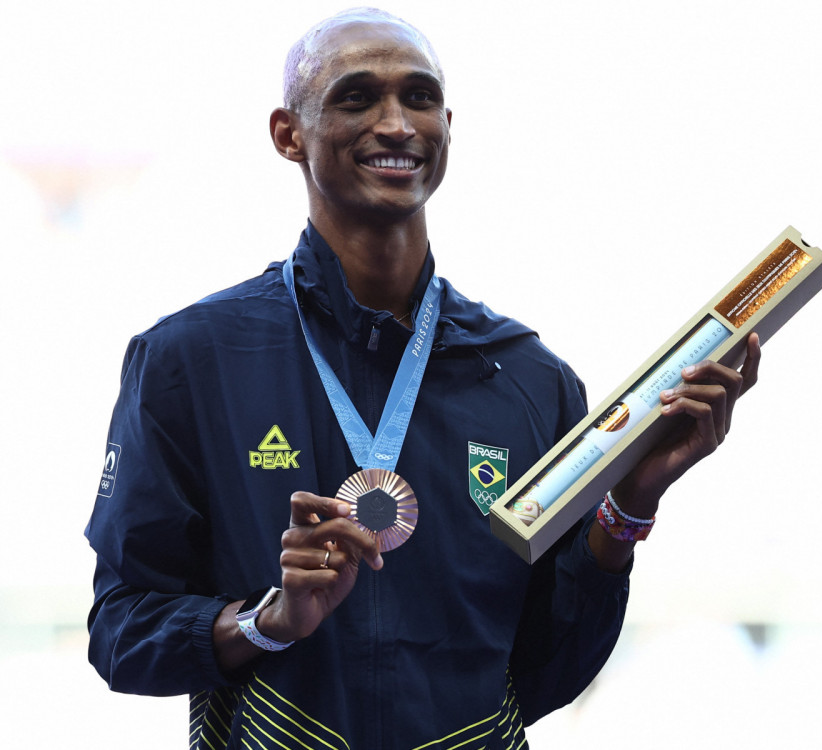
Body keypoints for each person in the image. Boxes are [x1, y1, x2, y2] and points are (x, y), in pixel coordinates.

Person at [85, 8, 761, 749]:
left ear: (447, 124)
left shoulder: (529, 380)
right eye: (356, 98)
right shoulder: (194, 361)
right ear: (289, 135)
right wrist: (268, 621)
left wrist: (630, 503)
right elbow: (121, 632)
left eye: (418, 97)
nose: (397, 124)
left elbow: (545, 673)